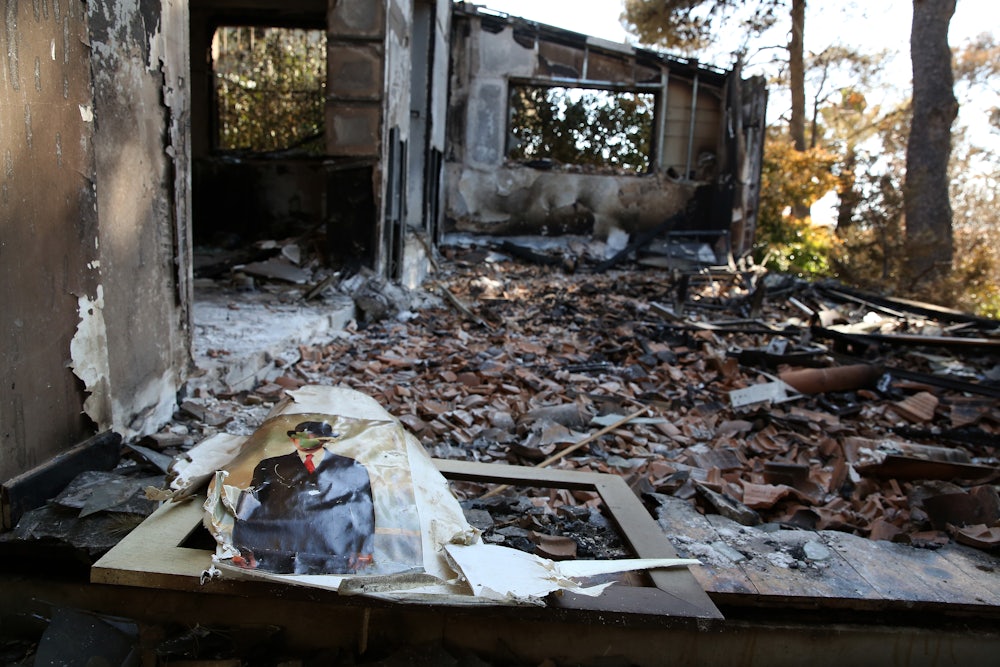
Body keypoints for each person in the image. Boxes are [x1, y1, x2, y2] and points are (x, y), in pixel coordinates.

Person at [231, 420, 375, 575]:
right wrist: (244, 549)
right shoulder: (271, 466)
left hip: (334, 552)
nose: (301, 441)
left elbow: (364, 510)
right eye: (297, 437)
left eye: (310, 437)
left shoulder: (351, 468)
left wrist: (364, 548)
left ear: (324, 440)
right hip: (277, 551)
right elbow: (250, 508)